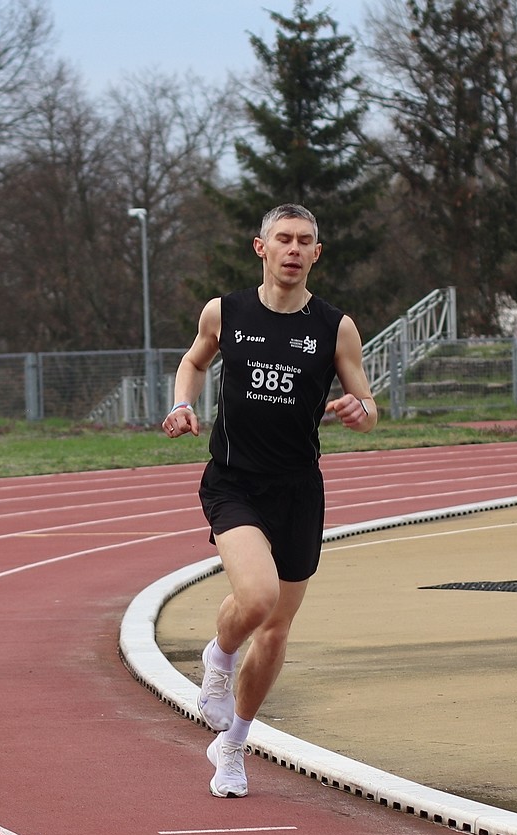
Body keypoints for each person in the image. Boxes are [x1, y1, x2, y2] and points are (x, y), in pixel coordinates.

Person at [162, 203, 377, 799]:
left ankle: (232, 745)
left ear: (316, 253)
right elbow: (194, 359)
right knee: (255, 597)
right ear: (262, 248)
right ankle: (219, 654)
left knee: (278, 630)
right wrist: (182, 402)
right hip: (233, 480)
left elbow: (367, 404)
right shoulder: (225, 311)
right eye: (282, 239)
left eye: (304, 241)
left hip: (298, 488)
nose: (293, 249)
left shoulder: (335, 326)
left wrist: (360, 413)